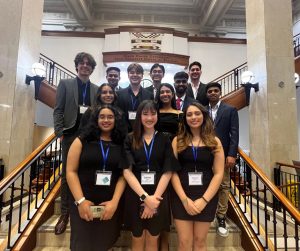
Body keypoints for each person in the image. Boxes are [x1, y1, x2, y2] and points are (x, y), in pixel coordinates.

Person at [66, 105, 127, 251]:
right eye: (102, 117)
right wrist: (80, 201)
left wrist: (114, 202)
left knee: (104, 243)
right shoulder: (81, 140)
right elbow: (70, 171)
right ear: (96, 119)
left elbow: (123, 176)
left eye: (110, 117)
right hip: (83, 200)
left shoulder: (122, 143)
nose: (106, 120)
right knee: (82, 244)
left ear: (116, 120)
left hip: (109, 203)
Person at [122, 100, 180, 251]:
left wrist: (154, 199)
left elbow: (168, 171)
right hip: (136, 193)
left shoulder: (164, 138)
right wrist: (145, 198)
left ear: (157, 116)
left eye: (153, 114)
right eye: (145, 114)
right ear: (139, 116)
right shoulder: (130, 138)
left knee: (154, 236)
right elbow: (127, 171)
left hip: (158, 194)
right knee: (137, 236)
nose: (149, 118)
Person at [53, 52, 98, 235]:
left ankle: (86, 205)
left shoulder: (95, 89)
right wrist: (59, 133)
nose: (85, 66)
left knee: (86, 172)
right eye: (82, 63)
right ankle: (65, 214)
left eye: (88, 64)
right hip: (70, 135)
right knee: (66, 175)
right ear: (77, 65)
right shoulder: (65, 84)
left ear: (92, 68)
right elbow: (58, 110)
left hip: (89, 136)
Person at [171, 102, 224, 250]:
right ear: (185, 119)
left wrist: (204, 200)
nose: (193, 117)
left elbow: (219, 173)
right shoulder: (177, 140)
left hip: (206, 195)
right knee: (184, 242)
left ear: (204, 116)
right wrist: (184, 199)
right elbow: (172, 172)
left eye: (197, 113)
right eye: (189, 114)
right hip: (181, 196)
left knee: (200, 241)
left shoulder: (214, 141)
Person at [206, 82, 239, 237]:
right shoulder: (202, 111)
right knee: (205, 183)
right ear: (206, 94)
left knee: (224, 186)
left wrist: (231, 154)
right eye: (210, 91)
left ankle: (221, 217)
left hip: (223, 154)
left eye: (215, 91)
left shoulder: (230, 110)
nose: (213, 93)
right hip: (204, 155)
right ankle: (207, 212)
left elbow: (234, 133)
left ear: (220, 92)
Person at [117, 63, 152, 132]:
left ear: (142, 76)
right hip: (123, 133)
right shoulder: (119, 94)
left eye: (138, 73)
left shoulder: (149, 95)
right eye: (132, 73)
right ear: (128, 75)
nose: (135, 75)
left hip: (143, 131)